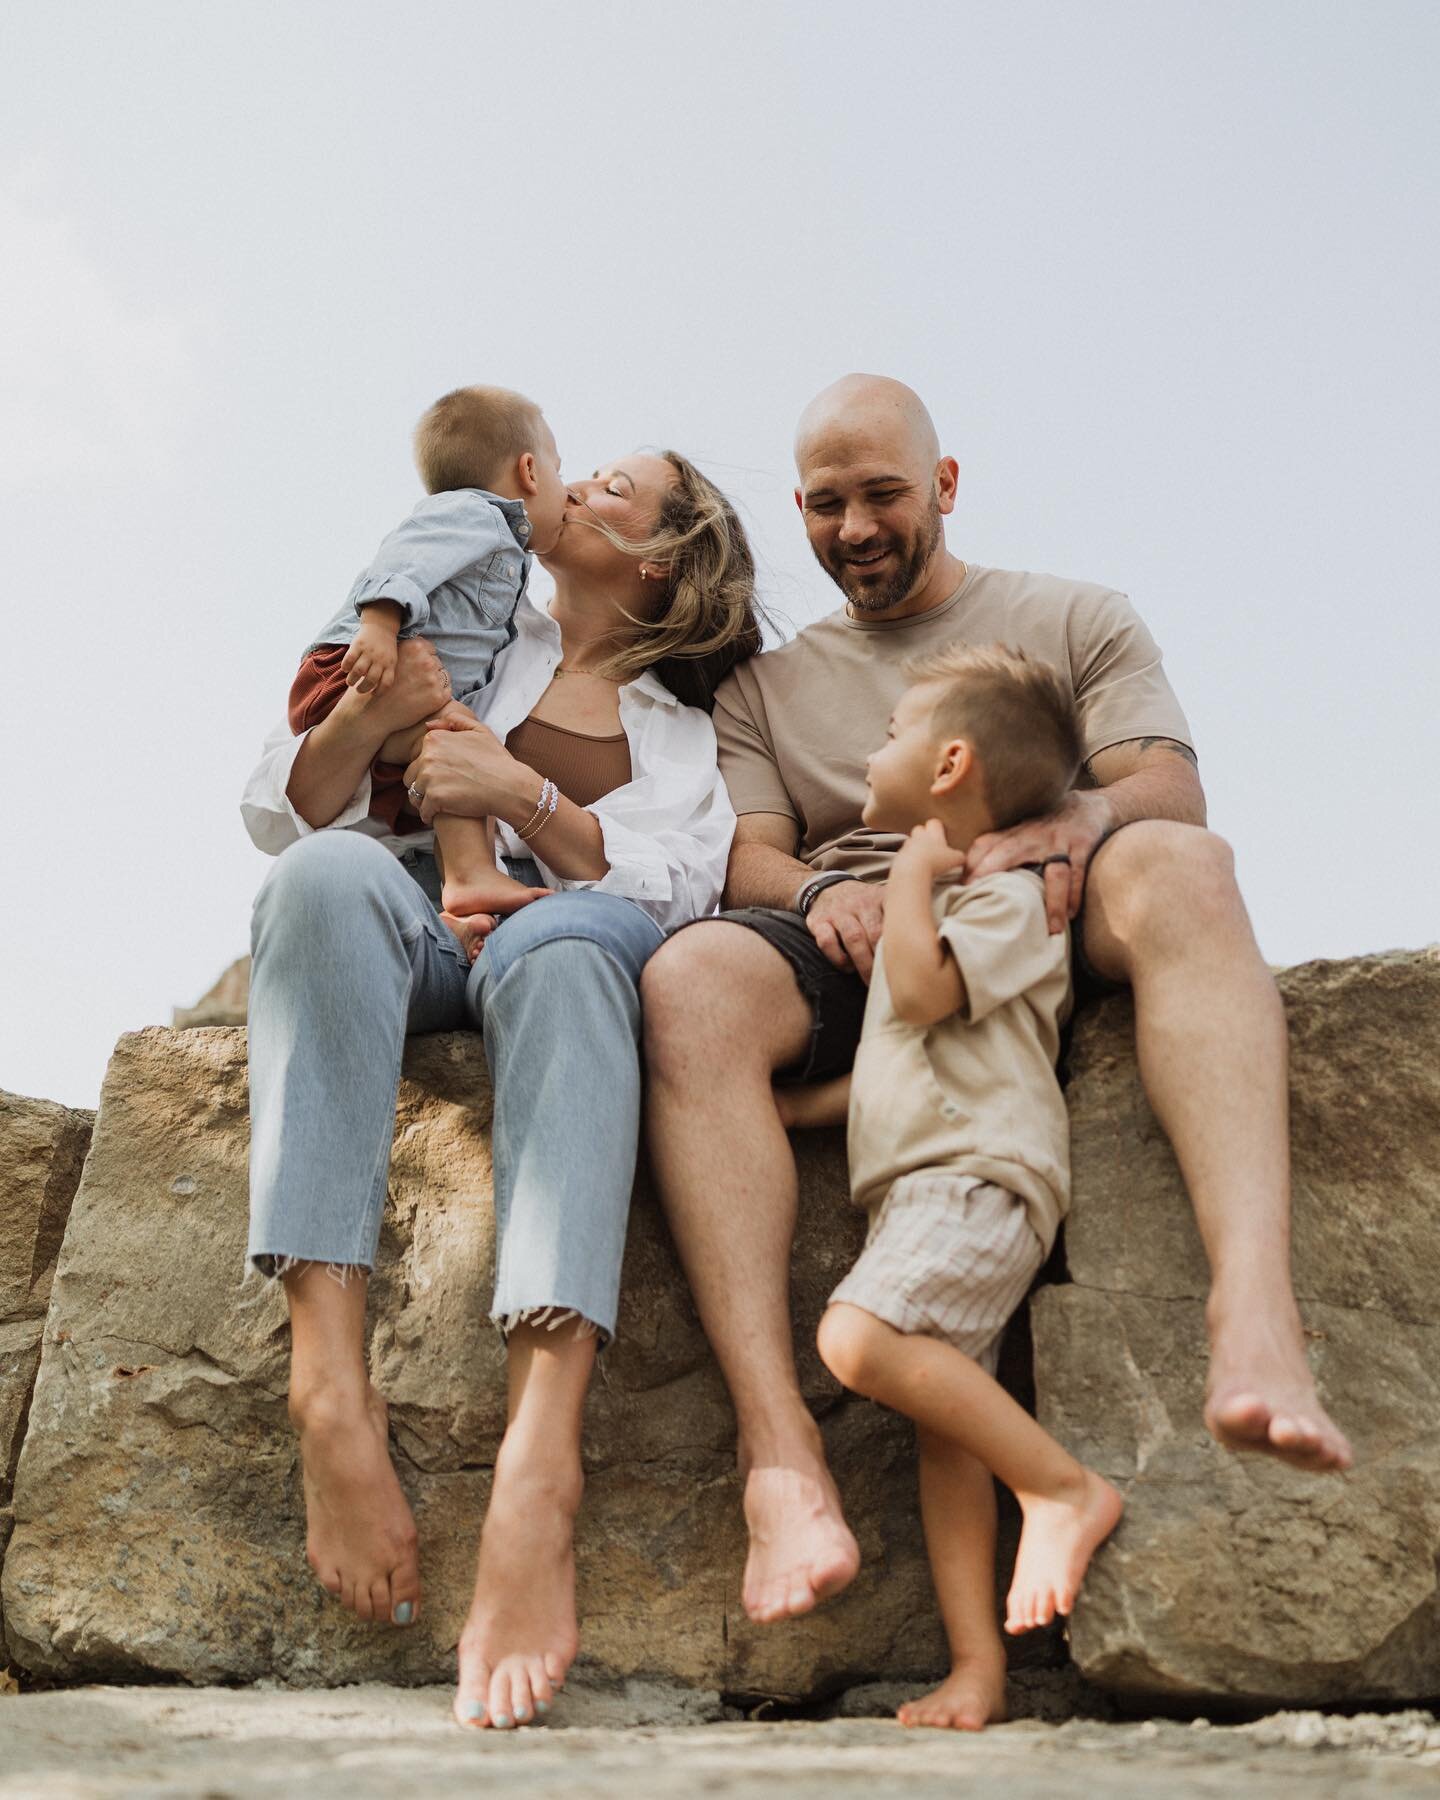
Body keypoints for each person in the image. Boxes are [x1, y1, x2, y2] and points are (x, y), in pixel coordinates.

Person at [641, 374, 1352, 1686]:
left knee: (1188, 865)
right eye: (824, 503)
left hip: (1053, 898)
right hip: (868, 924)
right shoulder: (765, 688)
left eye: (882, 495)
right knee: (689, 981)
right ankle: (781, 1454)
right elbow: (749, 854)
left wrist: (1064, 830)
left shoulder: (1072, 616)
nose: (853, 526)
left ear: (945, 485)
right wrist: (832, 895)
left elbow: (1170, 784)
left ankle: (1255, 1318)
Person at [240, 446, 761, 1734]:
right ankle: (327, 1387)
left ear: (664, 560)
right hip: (414, 924)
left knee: (573, 948)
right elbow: (277, 804)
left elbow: (687, 889)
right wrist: (374, 714)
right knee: (317, 885)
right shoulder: (472, 611)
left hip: (560, 939)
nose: (573, 488)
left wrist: (520, 795)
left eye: (614, 490)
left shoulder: (686, 733)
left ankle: (540, 1469)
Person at [803, 643, 1122, 1731]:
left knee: (856, 1338)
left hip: (977, 1179)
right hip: (930, 1181)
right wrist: (789, 1114)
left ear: (947, 765)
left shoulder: (1010, 898)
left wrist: (899, 877)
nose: (872, 747)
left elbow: (926, 997)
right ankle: (977, 1671)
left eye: (892, 733)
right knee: (949, 1441)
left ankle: (1062, 1486)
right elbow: (901, 1059)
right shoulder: (963, 905)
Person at [290, 384, 568, 943]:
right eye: (563, 473)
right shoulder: (476, 516)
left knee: (464, 762)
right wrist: (380, 625)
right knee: (460, 746)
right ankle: (469, 877)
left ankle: (463, 907)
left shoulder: (491, 540)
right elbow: (403, 558)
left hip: (389, 686)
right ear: (531, 471)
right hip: (355, 669)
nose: (568, 492)